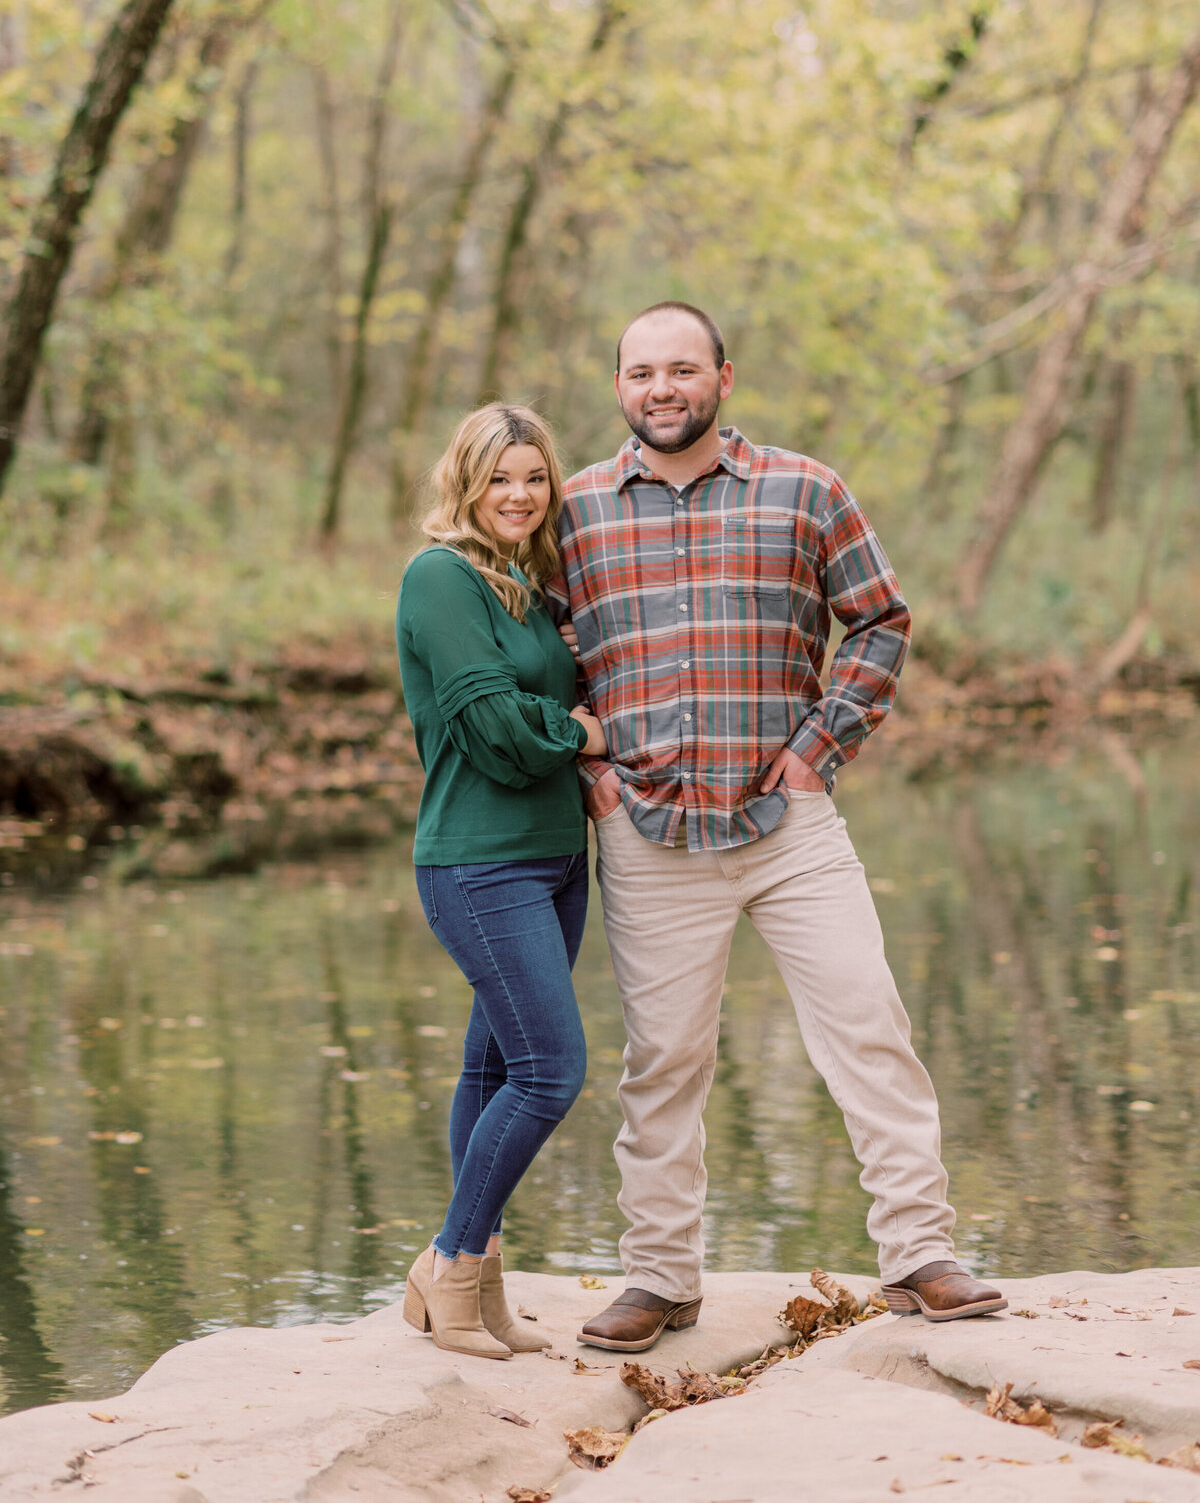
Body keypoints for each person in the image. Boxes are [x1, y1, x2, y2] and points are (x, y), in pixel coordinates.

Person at [554, 302, 1006, 1353]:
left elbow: (882, 617)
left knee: (868, 1021)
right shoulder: (571, 509)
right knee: (662, 1059)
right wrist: (593, 770)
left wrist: (818, 750)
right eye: (639, 373)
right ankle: (661, 1277)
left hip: (786, 819)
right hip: (649, 823)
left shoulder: (806, 489)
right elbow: (545, 651)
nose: (661, 388)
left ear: (723, 376)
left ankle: (919, 1254)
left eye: (680, 369)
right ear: (619, 386)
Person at [396, 404, 607, 1360]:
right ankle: (450, 1260)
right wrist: (582, 735)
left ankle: (478, 1295)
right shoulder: (439, 577)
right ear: (464, 482)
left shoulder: (527, 580)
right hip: (479, 861)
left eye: (533, 478)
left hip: (558, 857)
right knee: (551, 1071)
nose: (517, 496)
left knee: (493, 1070)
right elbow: (498, 733)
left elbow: (529, 700)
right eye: (498, 478)